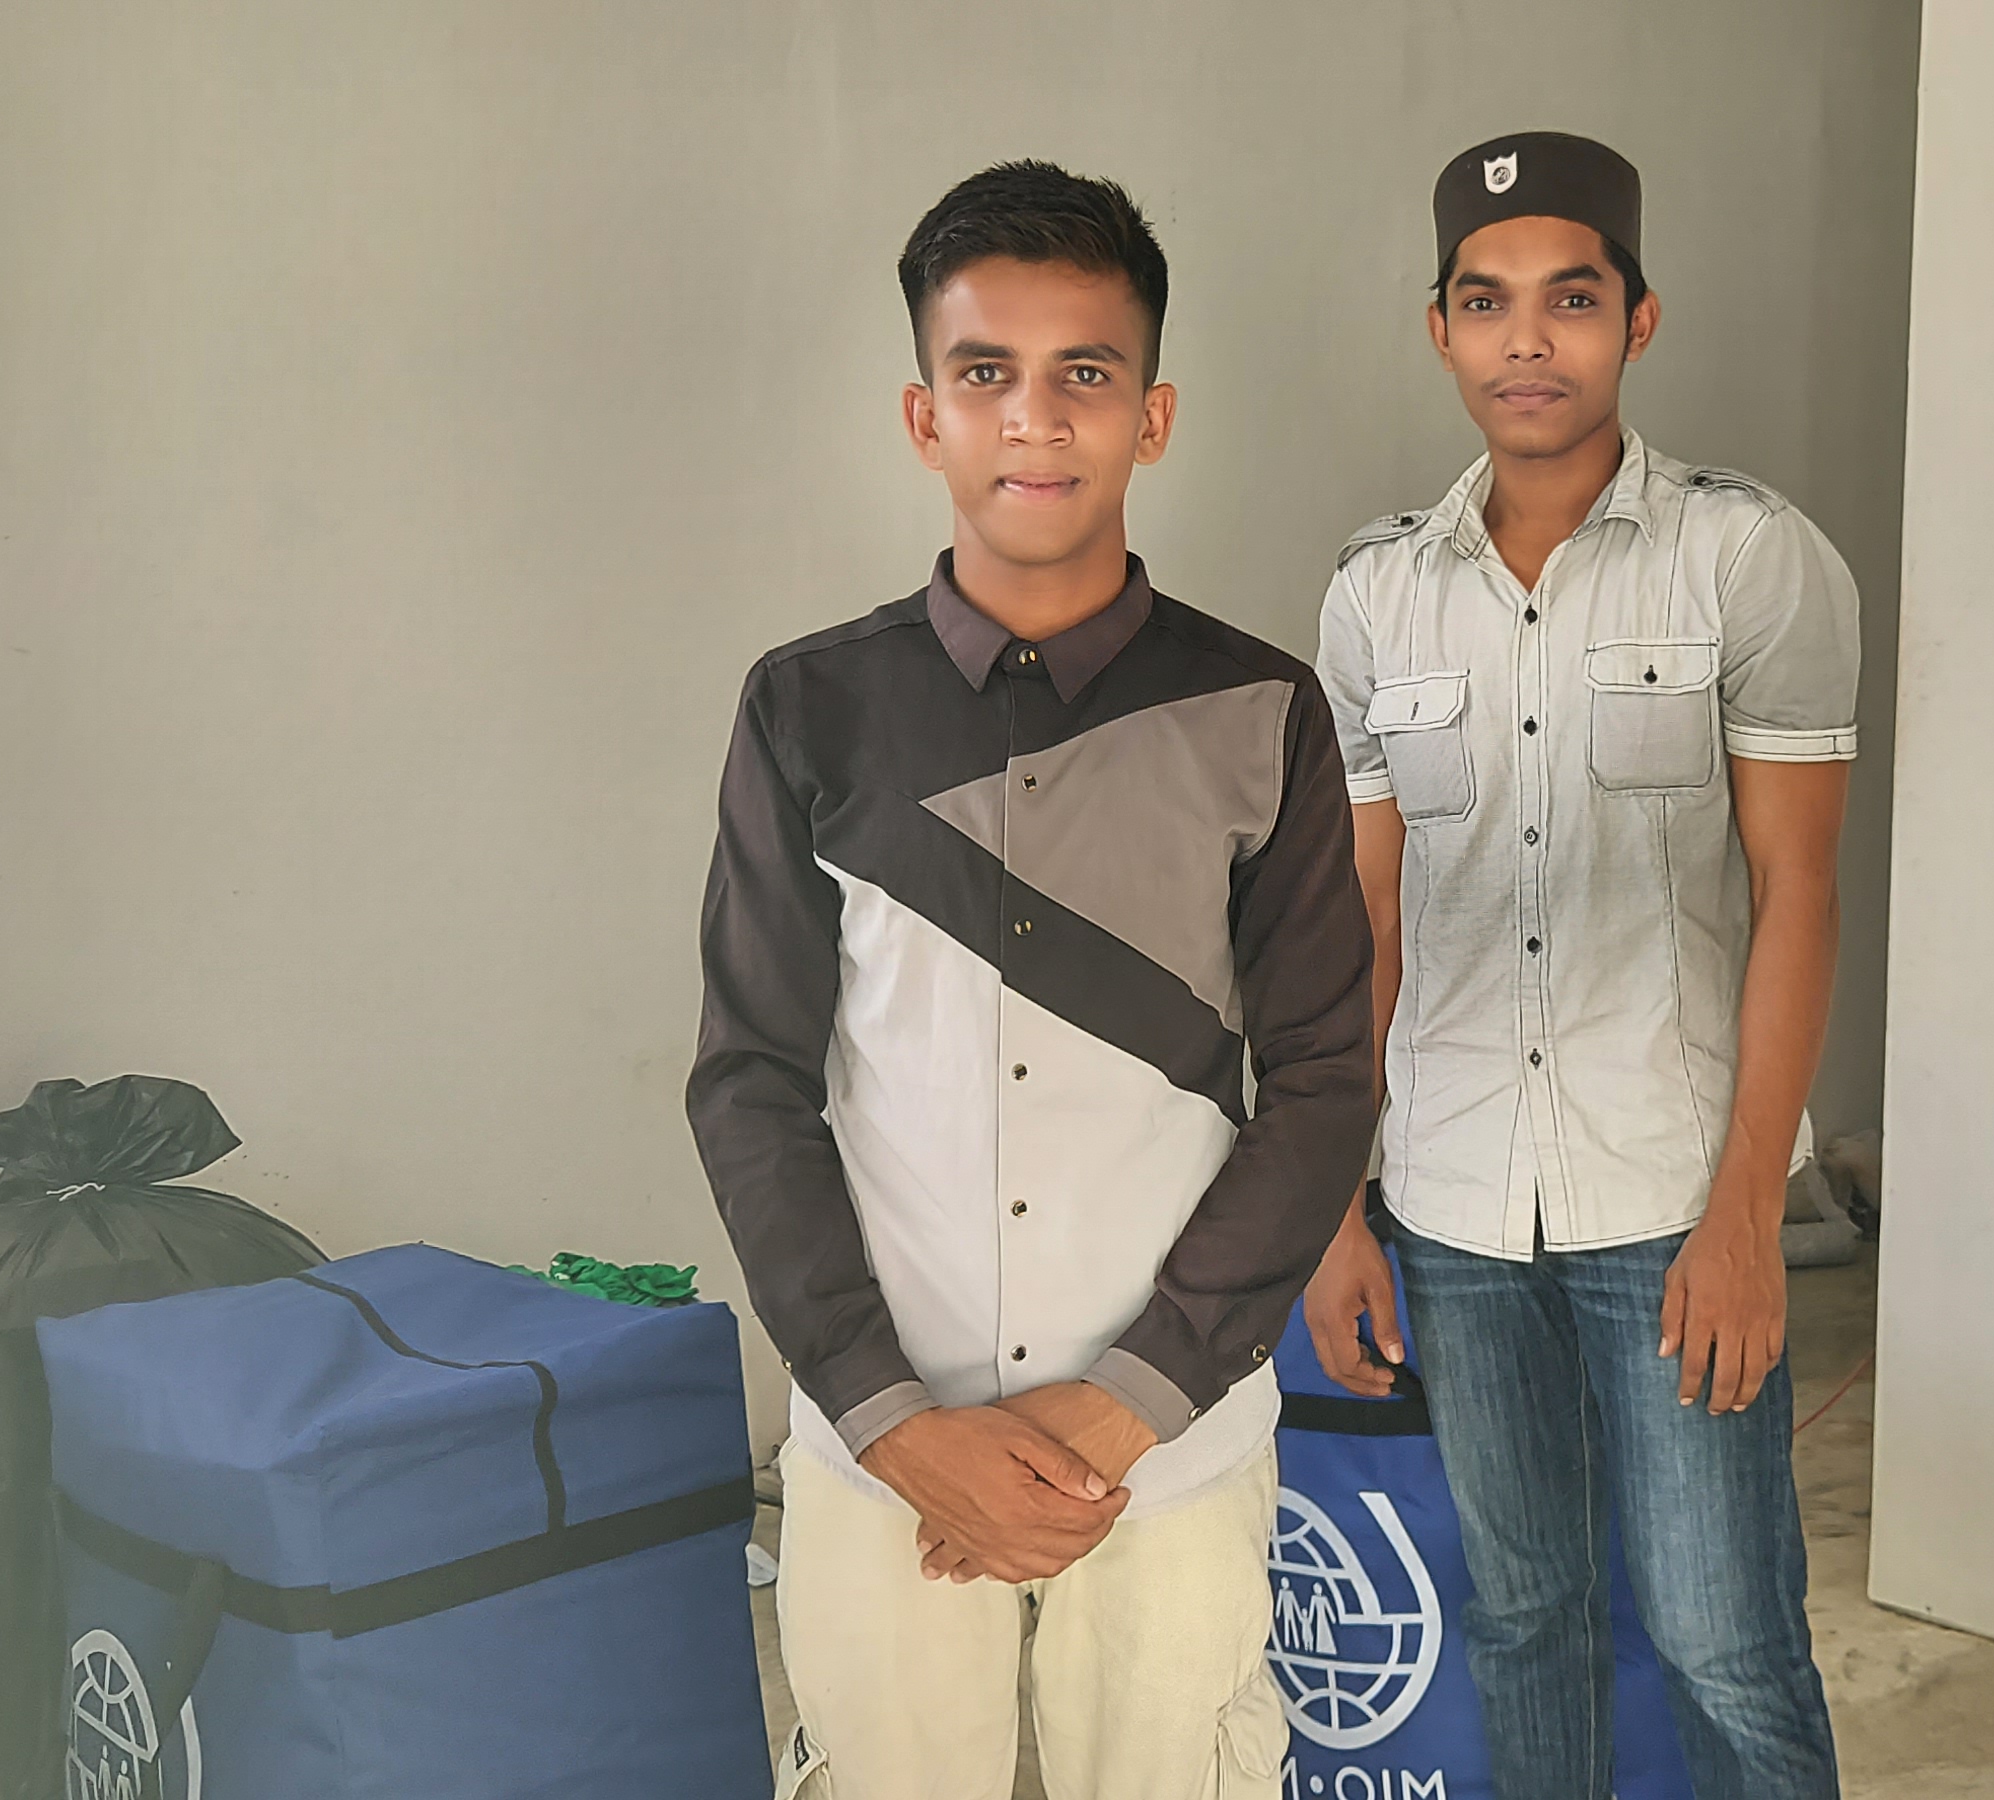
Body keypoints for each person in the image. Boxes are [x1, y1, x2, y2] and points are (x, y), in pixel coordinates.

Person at [689, 159, 1372, 1799]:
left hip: (1175, 1452)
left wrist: (1132, 1405)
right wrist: (893, 1419)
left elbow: (1328, 1086)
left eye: (1087, 375)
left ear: (1155, 414)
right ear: (925, 417)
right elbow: (751, 1086)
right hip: (882, 1457)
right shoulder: (809, 712)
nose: (1035, 420)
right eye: (987, 374)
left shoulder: (1264, 714)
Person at [1303, 130, 1858, 1798]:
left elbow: (1800, 892)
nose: (1526, 339)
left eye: (1570, 298)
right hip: (1456, 1207)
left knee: (1722, 1638)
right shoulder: (1375, 594)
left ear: (1638, 318)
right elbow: (1365, 931)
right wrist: (1339, 1210)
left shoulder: (1747, 559)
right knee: (1525, 1613)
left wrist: (1751, 1212)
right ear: (1440, 329)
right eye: (1488, 304)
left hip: (1669, 1196)